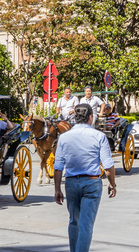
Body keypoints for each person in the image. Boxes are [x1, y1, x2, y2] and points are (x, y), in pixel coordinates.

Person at [54, 103, 117, 252]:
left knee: (73, 222)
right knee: (86, 224)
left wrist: (57, 189)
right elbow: (108, 166)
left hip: (70, 183)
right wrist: (112, 184)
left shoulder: (64, 137)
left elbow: (58, 167)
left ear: (75, 118)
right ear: (90, 118)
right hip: (91, 182)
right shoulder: (99, 136)